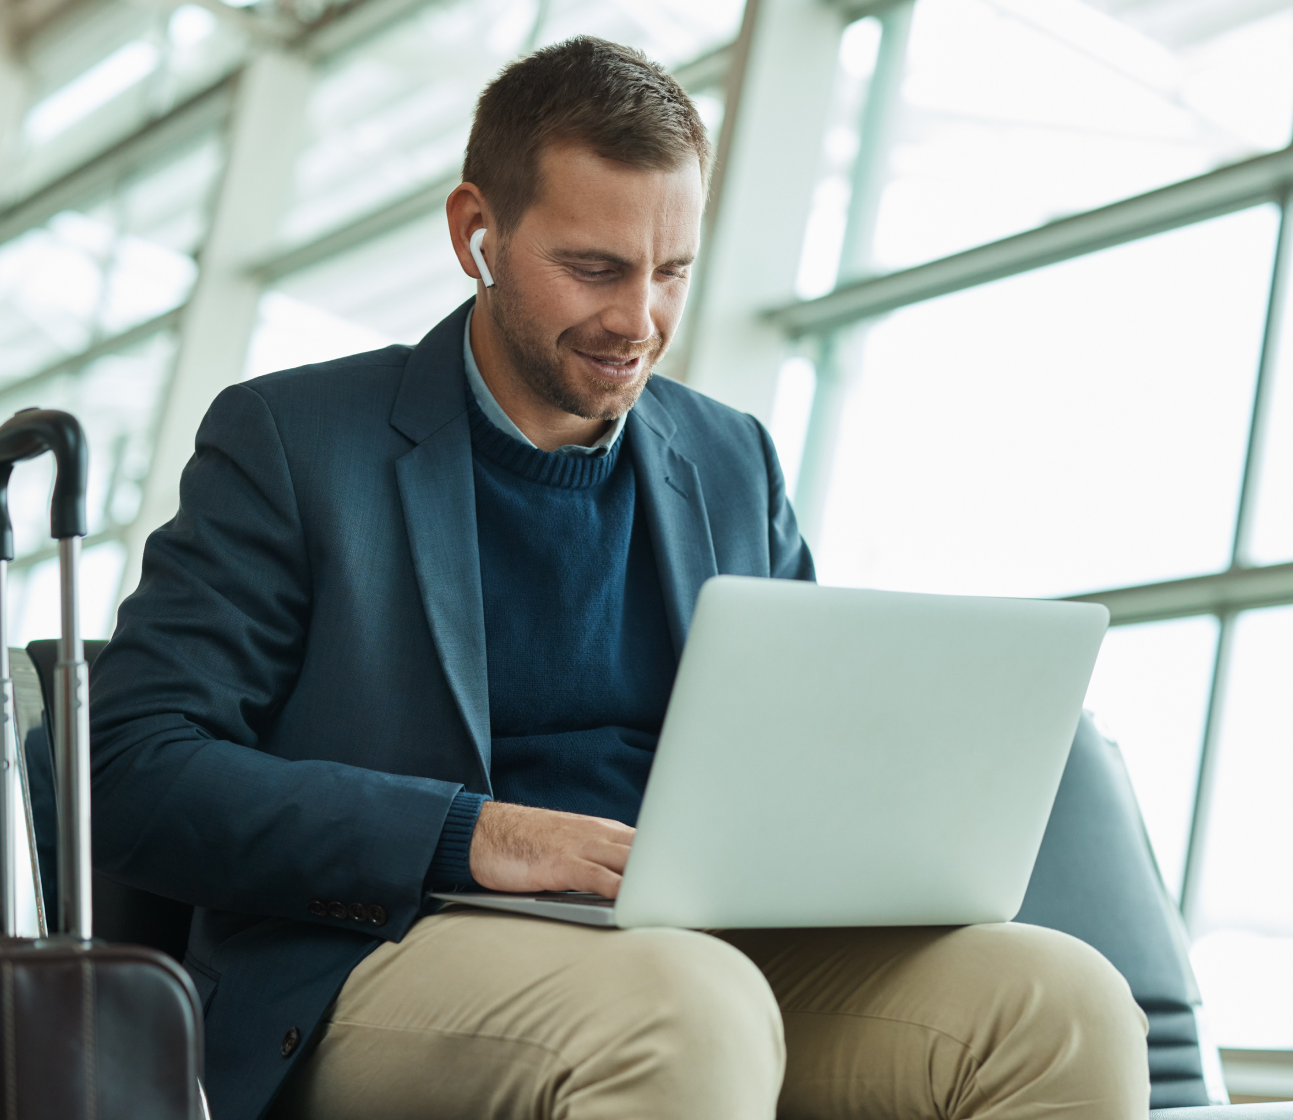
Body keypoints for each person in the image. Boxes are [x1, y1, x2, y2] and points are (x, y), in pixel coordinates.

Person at [89, 35, 1149, 1120]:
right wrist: (478, 834)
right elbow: (130, 770)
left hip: (690, 946)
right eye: (594, 267)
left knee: (1061, 1003)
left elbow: (806, 752)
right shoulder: (294, 441)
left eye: (673, 270)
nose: (638, 319)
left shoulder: (732, 459)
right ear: (477, 233)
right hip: (387, 950)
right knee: (686, 1005)